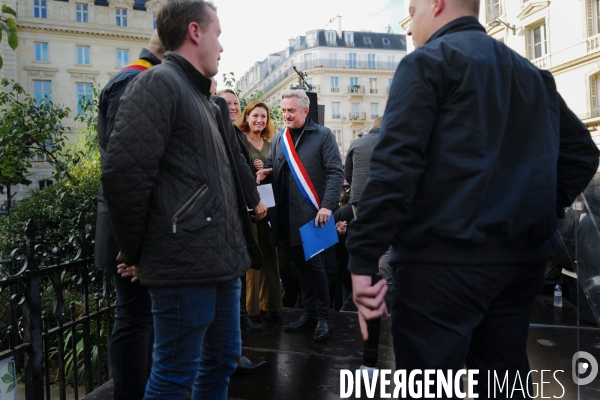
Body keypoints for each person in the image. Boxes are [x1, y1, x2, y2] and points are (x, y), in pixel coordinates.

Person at [346, 0, 600, 396]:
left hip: (439, 265)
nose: (409, 29)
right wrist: (537, 213)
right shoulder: (532, 75)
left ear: (437, 4)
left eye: (412, 13)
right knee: (502, 381)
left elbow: (394, 169)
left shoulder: (427, 63)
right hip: (518, 263)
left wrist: (362, 260)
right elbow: (582, 154)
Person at [102, 0, 266, 398]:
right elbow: (123, 175)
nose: (222, 47)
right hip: (182, 262)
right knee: (175, 374)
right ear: (195, 32)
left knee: (224, 359)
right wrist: (138, 252)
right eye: (218, 35)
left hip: (220, 262)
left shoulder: (205, 103)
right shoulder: (157, 84)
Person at [95, 29, 164, 400]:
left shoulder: (136, 78)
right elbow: (127, 170)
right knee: (135, 319)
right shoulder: (135, 81)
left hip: (134, 228)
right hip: (130, 231)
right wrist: (134, 242)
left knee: (143, 319)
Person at [257, 89, 344, 341]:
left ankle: (323, 317)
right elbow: (280, 170)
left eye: (291, 110)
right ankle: (309, 312)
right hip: (285, 216)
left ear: (306, 111)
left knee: (316, 268)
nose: (286, 115)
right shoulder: (279, 138)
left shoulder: (323, 135)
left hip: (315, 214)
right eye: (283, 111)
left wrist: (328, 205)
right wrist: (266, 174)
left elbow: (336, 172)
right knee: (298, 268)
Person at [237, 101, 284, 320]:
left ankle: (271, 305)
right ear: (246, 117)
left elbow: (278, 171)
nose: (259, 120)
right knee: (252, 256)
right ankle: (251, 309)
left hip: (269, 205)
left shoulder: (270, 143)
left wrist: (269, 169)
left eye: (263, 117)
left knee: (269, 254)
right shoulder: (239, 140)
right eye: (255, 116)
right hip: (247, 206)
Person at [344, 116, 382, 216]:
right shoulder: (390, 142)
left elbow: (347, 173)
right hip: (381, 196)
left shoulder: (356, 143)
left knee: (362, 229)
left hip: (358, 196)